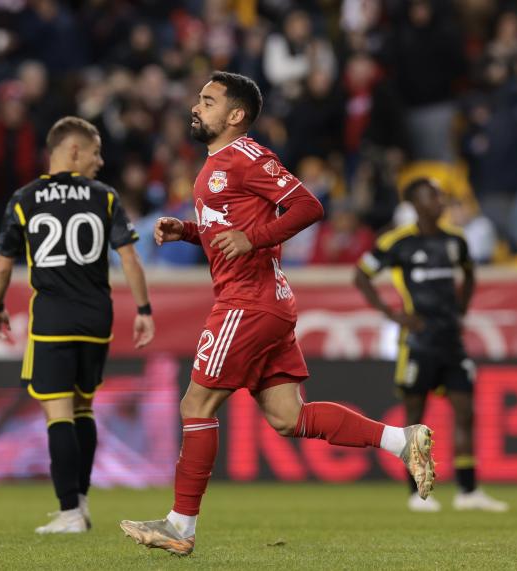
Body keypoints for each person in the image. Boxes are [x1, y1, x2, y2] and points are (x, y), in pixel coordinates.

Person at [118, 71, 436, 556]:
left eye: (208, 100)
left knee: (195, 407)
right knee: (288, 417)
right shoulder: (214, 166)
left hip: (247, 301)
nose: (196, 107)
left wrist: (254, 239)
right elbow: (229, 226)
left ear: (236, 115)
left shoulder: (246, 155)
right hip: (266, 302)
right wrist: (185, 230)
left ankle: (180, 526)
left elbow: (308, 206)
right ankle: (401, 440)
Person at [0, 117, 155, 534]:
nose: (101, 161)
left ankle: (68, 513)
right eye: (96, 152)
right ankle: (80, 503)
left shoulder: (25, 198)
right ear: (74, 150)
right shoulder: (106, 197)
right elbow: (130, 260)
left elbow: (4, 263)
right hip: (97, 318)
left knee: (58, 411)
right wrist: (144, 310)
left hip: (52, 319)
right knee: (84, 407)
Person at [354, 178, 508, 513]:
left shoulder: (456, 239)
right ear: (416, 204)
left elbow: (469, 273)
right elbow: (361, 274)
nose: (440, 202)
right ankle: (418, 492)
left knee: (466, 412)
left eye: (440, 196)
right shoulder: (398, 243)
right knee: (415, 417)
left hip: (451, 340)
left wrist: (462, 308)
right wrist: (391, 314)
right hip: (418, 342)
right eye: (432, 197)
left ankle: (468, 492)